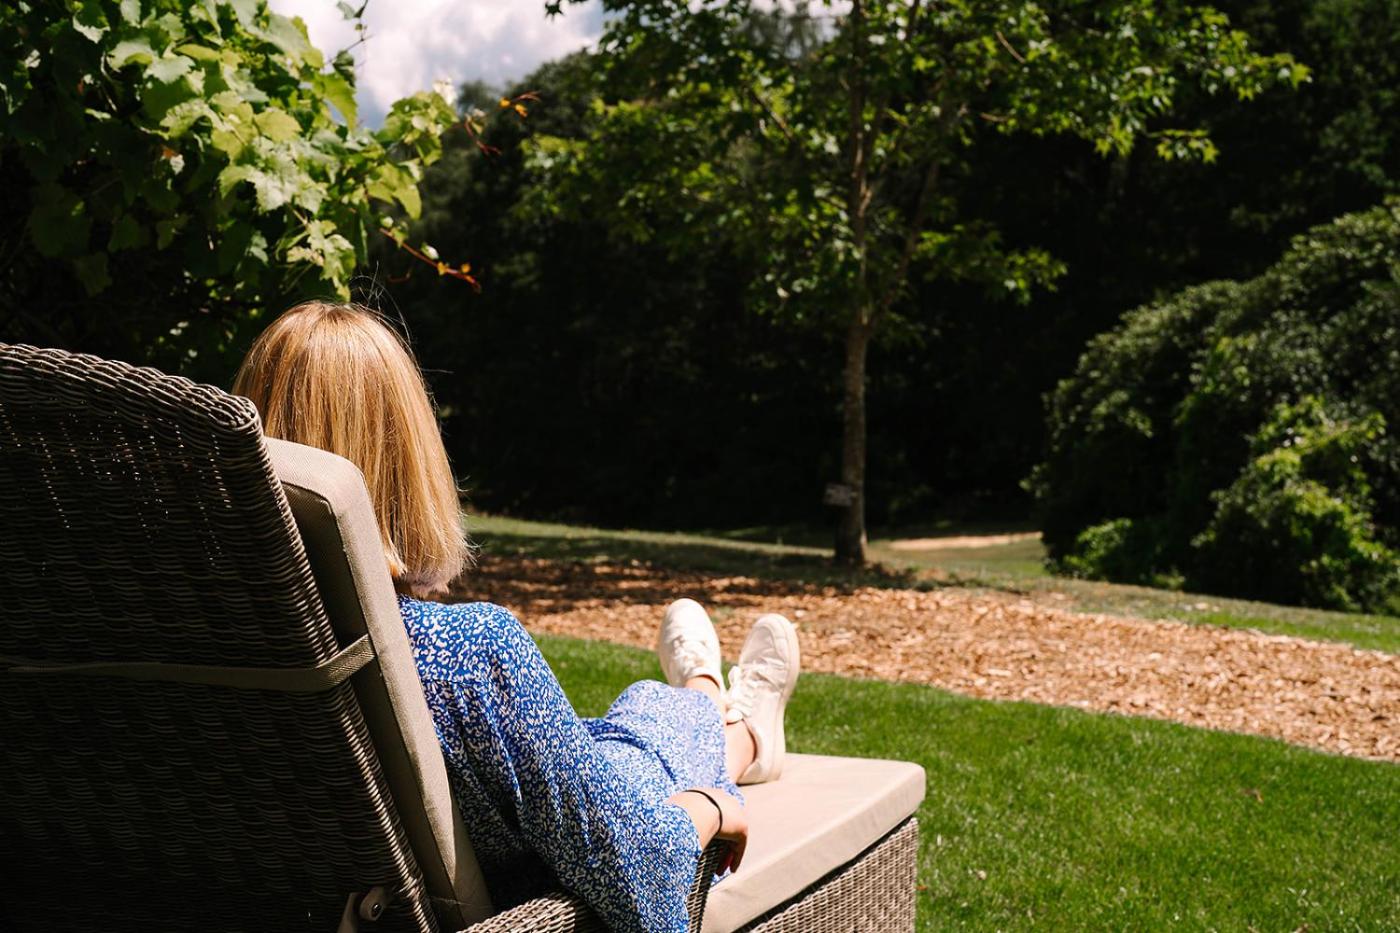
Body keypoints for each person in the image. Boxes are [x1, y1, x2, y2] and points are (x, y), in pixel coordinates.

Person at [232, 301, 801, 933]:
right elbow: (640, 875)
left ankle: (715, 705)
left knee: (621, 730)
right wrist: (708, 808)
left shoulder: (212, 650)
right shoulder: (468, 653)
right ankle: (732, 721)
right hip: (513, 902)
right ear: (407, 458)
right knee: (651, 722)